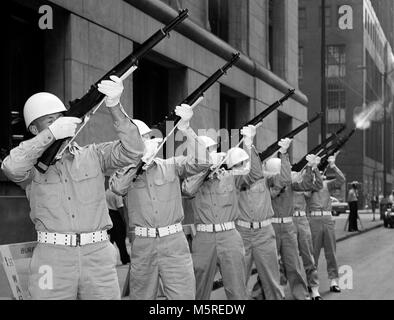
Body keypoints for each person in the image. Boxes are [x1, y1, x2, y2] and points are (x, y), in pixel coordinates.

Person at [1, 76, 145, 299]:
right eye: (50, 121)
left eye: (61, 119)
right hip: (51, 259)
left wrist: (115, 106)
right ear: (33, 128)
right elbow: (10, 167)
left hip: (98, 256)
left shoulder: (93, 155)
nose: (59, 124)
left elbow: (134, 151)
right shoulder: (31, 168)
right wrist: (51, 135)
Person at [110, 105, 211, 300]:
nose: (146, 143)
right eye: (141, 140)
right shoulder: (125, 172)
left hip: (174, 242)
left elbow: (202, 161)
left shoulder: (171, 165)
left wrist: (186, 129)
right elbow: (117, 188)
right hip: (143, 244)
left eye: (148, 139)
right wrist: (138, 163)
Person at [182, 125, 262, 300]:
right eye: (206, 151)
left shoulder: (230, 175)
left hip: (229, 236)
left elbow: (255, 174)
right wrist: (205, 172)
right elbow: (187, 191)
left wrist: (249, 143)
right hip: (203, 238)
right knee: (199, 289)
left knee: (237, 289)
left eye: (210, 150)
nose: (210, 153)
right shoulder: (191, 177)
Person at [235, 139, 296, 300]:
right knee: (239, 281)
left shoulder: (266, 177)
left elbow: (285, 179)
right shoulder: (236, 178)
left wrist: (283, 154)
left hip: (264, 233)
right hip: (242, 233)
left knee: (271, 280)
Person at [265, 142, 314, 300]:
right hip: (271, 225)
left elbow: (307, 185)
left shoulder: (289, 183)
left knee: (293, 263)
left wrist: (309, 168)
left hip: (287, 225)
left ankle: (301, 294)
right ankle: (262, 294)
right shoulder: (266, 183)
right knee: (269, 265)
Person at [305, 155, 345, 293]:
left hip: (327, 219)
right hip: (314, 220)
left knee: (331, 252)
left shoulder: (328, 184)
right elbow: (307, 194)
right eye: (318, 172)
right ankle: (311, 281)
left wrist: (333, 165)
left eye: (321, 172)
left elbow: (341, 180)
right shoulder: (309, 185)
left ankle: (334, 281)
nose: (320, 175)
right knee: (313, 254)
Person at [291, 156, 323, 300]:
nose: (295, 174)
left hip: (302, 220)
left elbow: (318, 186)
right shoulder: (287, 184)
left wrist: (314, 168)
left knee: (308, 256)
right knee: (285, 259)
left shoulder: (304, 186)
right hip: (287, 221)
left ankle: (314, 288)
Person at [105, 188, 130, 265]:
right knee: (121, 241)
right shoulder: (117, 193)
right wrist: (124, 220)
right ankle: (125, 259)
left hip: (108, 216)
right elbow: (120, 207)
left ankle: (107, 260)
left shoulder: (106, 192)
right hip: (116, 217)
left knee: (110, 240)